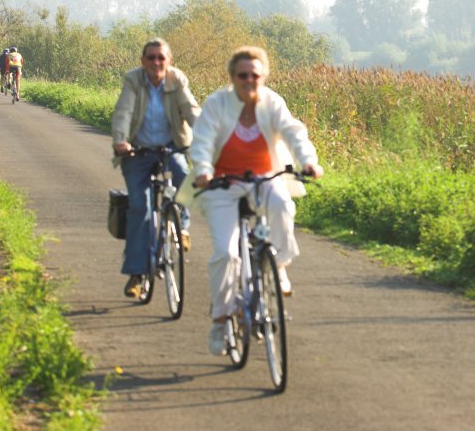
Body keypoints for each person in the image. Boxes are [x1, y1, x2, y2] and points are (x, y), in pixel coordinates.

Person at [188, 45, 324, 356]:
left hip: (264, 177)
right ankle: (221, 320)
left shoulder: (272, 102)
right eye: (243, 75)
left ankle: (278, 264)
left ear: (264, 76)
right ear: (232, 77)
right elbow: (203, 140)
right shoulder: (217, 103)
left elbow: (294, 133)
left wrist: (308, 161)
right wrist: (204, 170)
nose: (250, 80)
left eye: (255, 75)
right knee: (226, 253)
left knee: (282, 206)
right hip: (222, 182)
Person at [110, 38, 201, 299]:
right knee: (141, 208)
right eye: (151, 58)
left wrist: (208, 137)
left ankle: (181, 226)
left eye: (161, 58)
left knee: (185, 176)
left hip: (171, 148)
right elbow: (123, 112)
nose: (156, 62)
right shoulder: (134, 80)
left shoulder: (177, 81)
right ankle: (137, 275)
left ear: (169, 60)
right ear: (143, 61)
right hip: (138, 151)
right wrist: (120, 141)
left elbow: (192, 110)